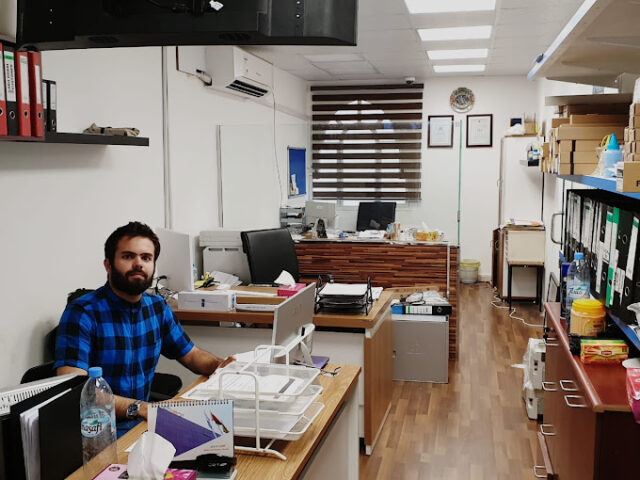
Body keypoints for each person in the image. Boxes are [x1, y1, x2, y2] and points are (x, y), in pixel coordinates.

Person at [55, 221, 234, 435]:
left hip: (141, 425)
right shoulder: (82, 312)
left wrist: (223, 366)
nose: (138, 264)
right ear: (108, 265)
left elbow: (192, 355)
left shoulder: (156, 307)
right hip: (96, 431)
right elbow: (76, 390)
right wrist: (140, 408)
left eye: (146, 258)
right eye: (128, 256)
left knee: (219, 439)